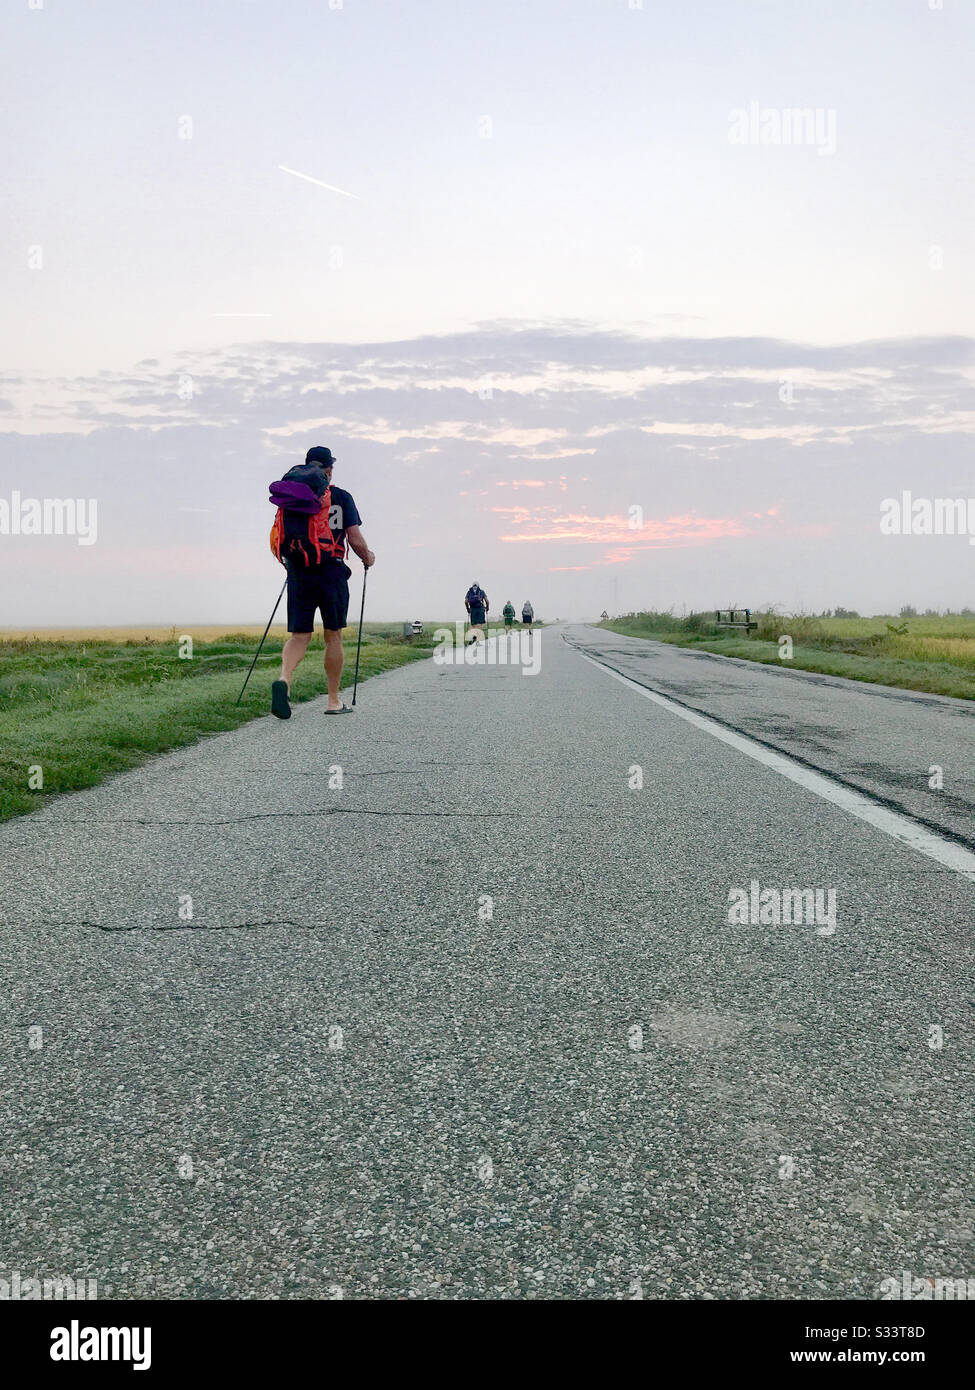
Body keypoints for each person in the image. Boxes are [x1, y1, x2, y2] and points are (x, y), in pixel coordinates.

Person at [270, 445, 375, 719]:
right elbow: (354, 539)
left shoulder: (293, 497)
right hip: (331, 572)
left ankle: (284, 680)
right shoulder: (341, 497)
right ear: (329, 469)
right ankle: (332, 701)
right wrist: (368, 558)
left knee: (300, 635)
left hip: (299, 571)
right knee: (333, 635)